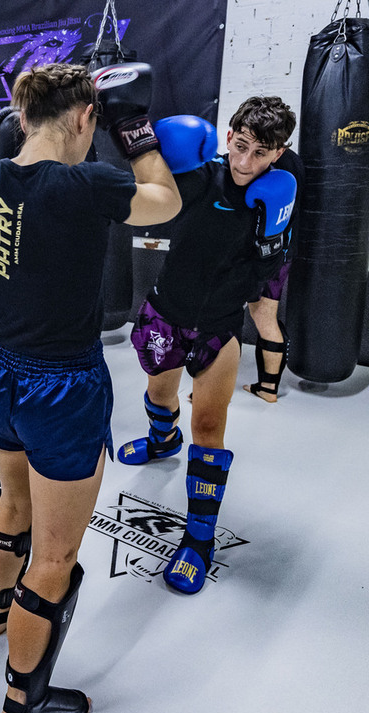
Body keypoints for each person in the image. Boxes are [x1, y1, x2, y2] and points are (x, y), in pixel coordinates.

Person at [0, 63, 182, 713]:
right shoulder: (92, 184)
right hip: (64, 387)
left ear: (22, 115)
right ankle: (24, 704)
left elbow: (14, 171)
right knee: (55, 554)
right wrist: (135, 128)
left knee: (13, 500)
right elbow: (163, 200)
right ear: (86, 119)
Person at [117, 96, 300, 595]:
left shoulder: (279, 195)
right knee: (160, 397)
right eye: (240, 147)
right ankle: (161, 441)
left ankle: (199, 540)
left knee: (210, 426)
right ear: (228, 137)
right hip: (166, 313)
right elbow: (145, 199)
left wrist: (270, 243)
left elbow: (267, 275)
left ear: (278, 153)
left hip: (220, 328)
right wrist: (133, 129)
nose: (245, 163)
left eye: (260, 154)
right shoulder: (201, 178)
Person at [243, 146, 303, 402]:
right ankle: (267, 387)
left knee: (258, 315)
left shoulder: (272, 164)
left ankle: (210, 387)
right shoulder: (293, 161)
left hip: (267, 254)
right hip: (283, 251)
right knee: (264, 314)